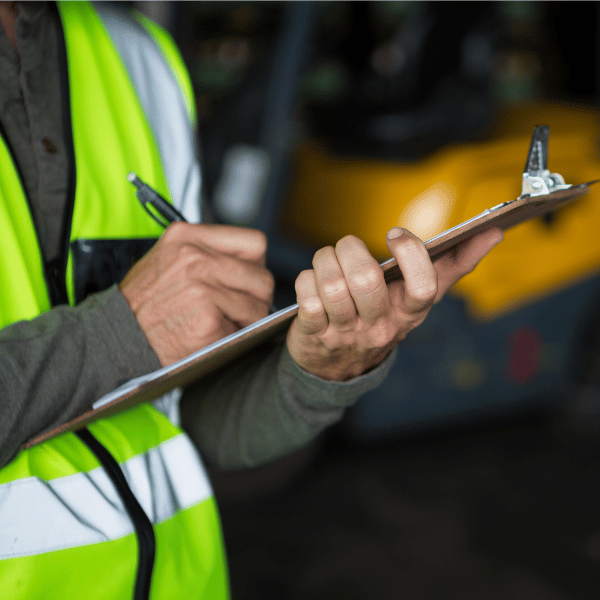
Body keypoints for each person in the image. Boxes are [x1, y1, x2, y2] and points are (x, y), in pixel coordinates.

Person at [0, 2, 503, 599]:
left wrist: (322, 368)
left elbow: (196, 422)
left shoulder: (135, 56)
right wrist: (119, 332)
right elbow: (128, 337)